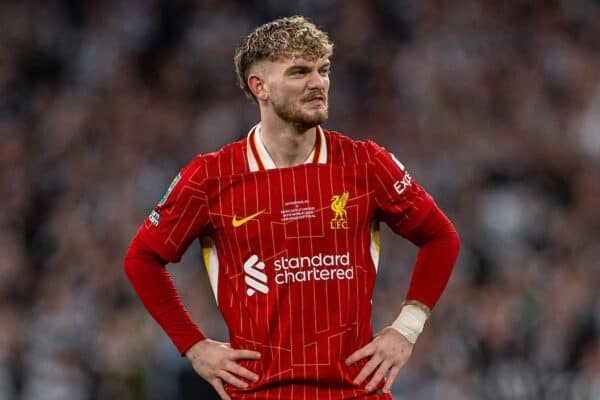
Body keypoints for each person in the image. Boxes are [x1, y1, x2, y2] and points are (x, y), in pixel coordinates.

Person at [124, 16, 460, 400]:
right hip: (262, 393)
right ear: (260, 86)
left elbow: (441, 237)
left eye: (323, 70)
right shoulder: (210, 177)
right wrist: (194, 346)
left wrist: (407, 327)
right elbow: (142, 258)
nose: (318, 83)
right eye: (300, 72)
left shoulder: (365, 163)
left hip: (356, 393)